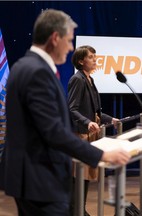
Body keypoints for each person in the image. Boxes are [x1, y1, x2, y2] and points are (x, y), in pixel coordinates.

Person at [0, 9, 130, 216]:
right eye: (69, 41)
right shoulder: (38, 72)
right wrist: (102, 154)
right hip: (38, 177)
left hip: (30, 175)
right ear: (55, 38)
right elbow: (54, 131)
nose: (70, 48)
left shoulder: (26, 66)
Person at [68, 45, 119, 216]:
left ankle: (79, 209)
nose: (95, 59)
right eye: (91, 57)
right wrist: (87, 122)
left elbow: (95, 111)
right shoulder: (77, 79)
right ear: (81, 61)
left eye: (95, 56)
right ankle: (74, 210)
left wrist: (110, 119)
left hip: (91, 133)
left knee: (87, 173)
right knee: (78, 174)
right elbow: (72, 108)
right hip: (80, 133)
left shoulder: (89, 79)